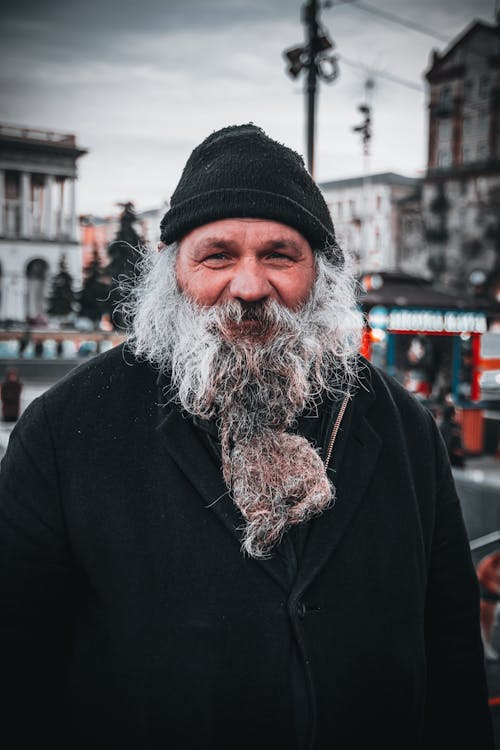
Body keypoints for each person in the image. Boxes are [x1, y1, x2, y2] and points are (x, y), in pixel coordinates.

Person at [0, 124, 493, 749]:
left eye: (280, 256)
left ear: (319, 275)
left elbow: (450, 652)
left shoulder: (401, 426)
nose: (250, 286)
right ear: (174, 271)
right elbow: (17, 669)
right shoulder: (64, 431)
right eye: (218, 255)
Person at [477, 551, 500, 661]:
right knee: (486, 623)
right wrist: (494, 587)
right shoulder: (488, 563)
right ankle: (485, 647)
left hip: (493, 599)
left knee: (489, 623)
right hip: (487, 598)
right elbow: (481, 577)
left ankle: (486, 646)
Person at [439, 402, 466, 467]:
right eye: (457, 413)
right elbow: (447, 445)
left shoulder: (455, 426)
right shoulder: (448, 428)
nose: (460, 415)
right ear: (452, 415)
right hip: (452, 461)